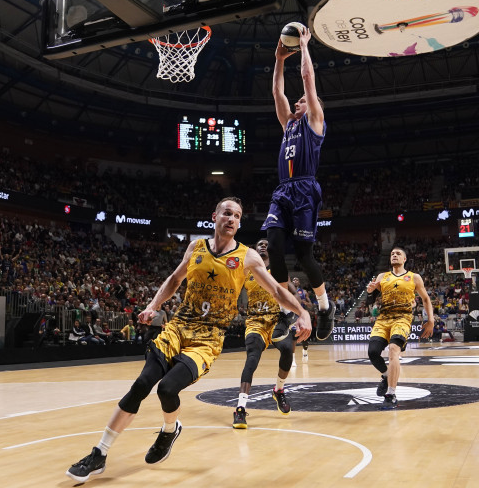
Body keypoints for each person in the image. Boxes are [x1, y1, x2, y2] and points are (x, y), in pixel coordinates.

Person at [66, 197, 312, 483]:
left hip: (207, 340)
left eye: (237, 216)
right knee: (141, 384)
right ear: (215, 217)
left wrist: (302, 311)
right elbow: (173, 280)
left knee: (167, 390)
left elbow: (277, 292)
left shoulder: (248, 257)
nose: (231, 219)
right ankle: (99, 453)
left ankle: (170, 431)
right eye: (227, 213)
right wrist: (153, 306)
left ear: (240, 223)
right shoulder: (195, 248)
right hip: (179, 328)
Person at [262, 25, 333, 342]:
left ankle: (325, 308)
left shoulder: (314, 121)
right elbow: (278, 93)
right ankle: (284, 312)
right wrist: (278, 59)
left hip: (305, 189)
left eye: (303, 101)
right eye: (299, 101)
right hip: (283, 190)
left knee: (305, 257)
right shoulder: (288, 124)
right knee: (274, 247)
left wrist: (304, 46)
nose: (298, 102)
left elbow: (308, 81)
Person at [232, 239, 299, 429]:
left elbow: (294, 293)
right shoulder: (246, 271)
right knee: (252, 358)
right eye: (259, 244)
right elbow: (232, 291)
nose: (263, 245)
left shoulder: (278, 271)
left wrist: (292, 311)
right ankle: (240, 408)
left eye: (266, 244)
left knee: (287, 349)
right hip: (255, 322)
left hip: (276, 320)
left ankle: (278, 390)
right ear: (254, 250)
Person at [364, 247, 434, 409]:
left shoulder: (414, 277)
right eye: (392, 254)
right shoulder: (383, 277)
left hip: (402, 318)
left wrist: (430, 320)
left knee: (393, 349)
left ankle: (391, 393)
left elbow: (425, 299)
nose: (394, 255)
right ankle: (386, 375)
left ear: (404, 259)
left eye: (398, 254)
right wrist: (370, 291)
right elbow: (371, 298)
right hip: (383, 319)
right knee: (373, 353)